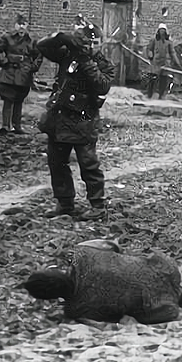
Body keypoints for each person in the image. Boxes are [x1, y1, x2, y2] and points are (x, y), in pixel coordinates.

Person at [36, 19, 116, 221]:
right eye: (86, 42)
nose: (90, 46)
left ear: (101, 44)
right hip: (60, 119)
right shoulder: (67, 55)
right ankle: (65, 203)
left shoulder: (104, 65)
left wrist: (85, 60)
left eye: (94, 43)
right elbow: (41, 46)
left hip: (84, 121)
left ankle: (97, 206)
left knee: (88, 165)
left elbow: (101, 85)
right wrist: (63, 38)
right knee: (57, 163)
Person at [21, 238, 182, 324]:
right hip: (161, 268)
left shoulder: (76, 309)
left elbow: (113, 317)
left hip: (156, 306)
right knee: (169, 283)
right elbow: (114, 245)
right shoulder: (80, 254)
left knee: (166, 297)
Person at [0, 13, 42, 135]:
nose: (21, 27)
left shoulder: (32, 41)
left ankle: (17, 126)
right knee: (8, 99)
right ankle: (5, 126)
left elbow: (39, 55)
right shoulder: (7, 38)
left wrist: (33, 67)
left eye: (24, 24)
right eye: (19, 24)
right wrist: (4, 62)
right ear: (15, 25)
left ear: (27, 25)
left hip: (24, 74)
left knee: (19, 99)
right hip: (9, 72)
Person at [145, 22, 178, 99]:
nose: (162, 32)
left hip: (166, 63)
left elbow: (172, 53)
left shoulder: (169, 42)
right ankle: (149, 94)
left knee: (163, 80)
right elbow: (149, 49)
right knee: (152, 79)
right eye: (160, 30)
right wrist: (150, 55)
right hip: (156, 63)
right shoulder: (154, 40)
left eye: (163, 30)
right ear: (158, 31)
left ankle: (161, 94)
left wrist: (177, 62)